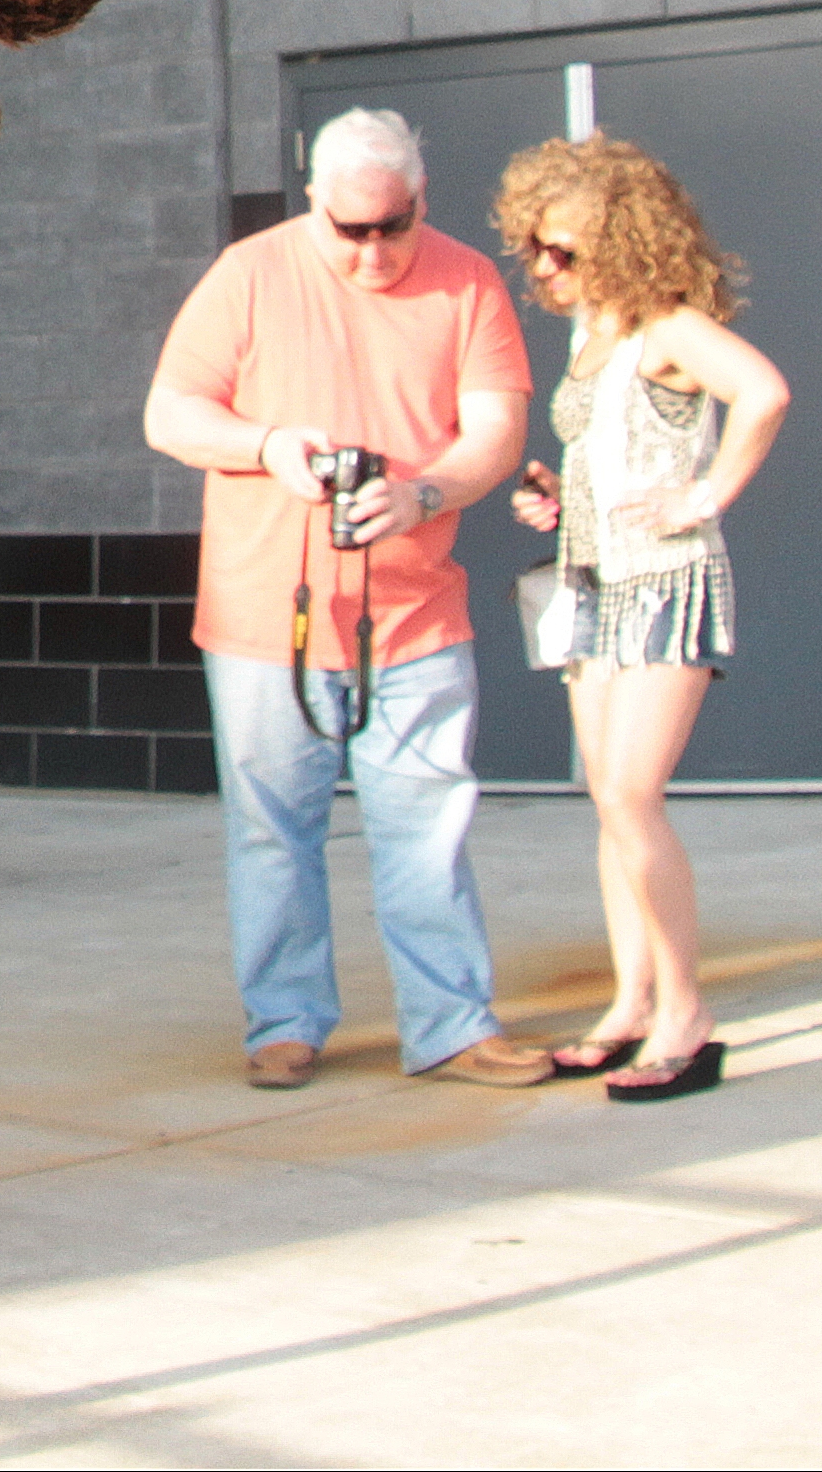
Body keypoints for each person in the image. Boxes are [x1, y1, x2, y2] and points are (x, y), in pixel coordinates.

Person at [145, 107, 554, 1089]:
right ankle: (282, 1019)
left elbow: (494, 431)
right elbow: (171, 411)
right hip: (263, 611)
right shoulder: (250, 274)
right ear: (314, 204)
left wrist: (421, 492)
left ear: (420, 201)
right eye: (348, 230)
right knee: (269, 825)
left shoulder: (465, 280)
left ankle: (451, 1023)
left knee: (426, 821)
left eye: (391, 227)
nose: (372, 252)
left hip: (411, 608)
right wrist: (268, 445)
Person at [498, 134, 785, 1105]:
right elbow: (609, 454)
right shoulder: (594, 332)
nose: (543, 267)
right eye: (534, 247)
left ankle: (685, 1018)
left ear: (619, 242)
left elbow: (763, 391)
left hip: (666, 583)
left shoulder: (667, 322)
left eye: (563, 251)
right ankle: (629, 1005)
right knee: (609, 804)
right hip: (594, 584)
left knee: (629, 796)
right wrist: (552, 492)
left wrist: (703, 496)